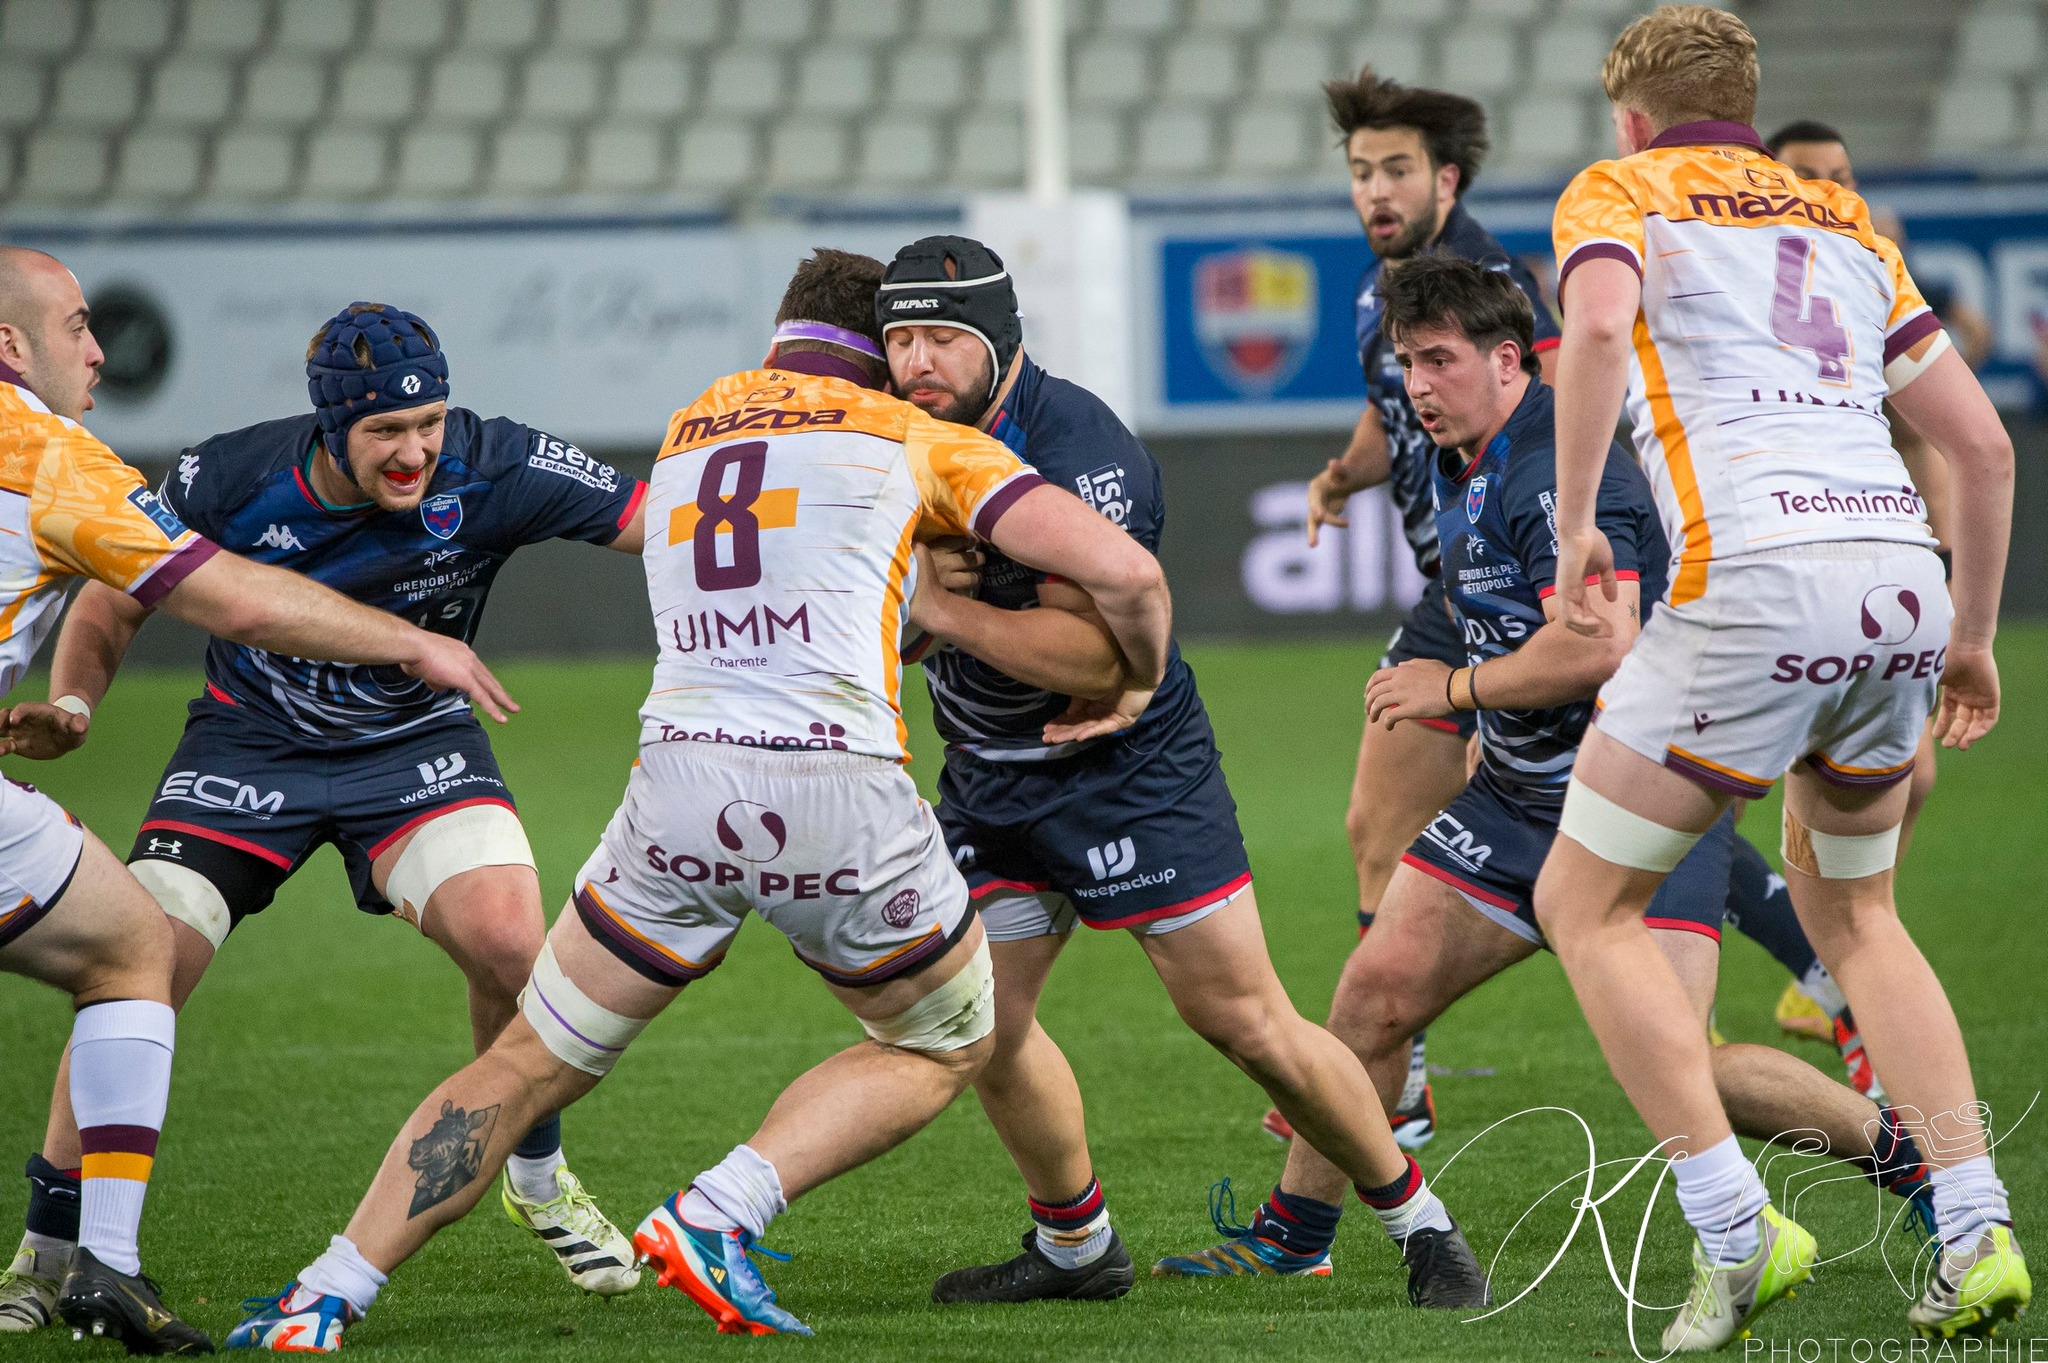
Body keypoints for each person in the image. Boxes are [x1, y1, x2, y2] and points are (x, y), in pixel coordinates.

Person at [220, 248, 1179, 1349]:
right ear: (874, 352)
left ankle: (325, 1290)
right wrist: (1137, 674)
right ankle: (721, 1209)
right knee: (951, 1040)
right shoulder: (911, 435)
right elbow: (1130, 576)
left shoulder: (689, 426)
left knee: (524, 1059)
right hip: (833, 789)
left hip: (674, 789)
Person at [1158, 257, 1937, 1281]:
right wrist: (1460, 684)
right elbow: (1498, 610)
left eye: (1438, 361)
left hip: (1640, 806)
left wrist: (1453, 694)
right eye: (1404, 364)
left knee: (1686, 1069)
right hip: (1519, 799)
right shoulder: (1460, 454)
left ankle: (1912, 1165)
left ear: (1509, 361)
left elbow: (1597, 644)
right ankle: (1295, 1235)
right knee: (1368, 1001)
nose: (1418, 386)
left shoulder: (1552, 472)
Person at [1, 301, 652, 1334]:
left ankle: (537, 1174)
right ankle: (46, 1247)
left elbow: (661, 520)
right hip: (246, 748)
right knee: (139, 965)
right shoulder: (227, 477)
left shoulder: (499, 463)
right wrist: (78, 705)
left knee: (514, 949)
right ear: (330, 425)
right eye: (386, 432)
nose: (416, 450)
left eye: (430, 421)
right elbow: (113, 601)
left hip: (414, 750)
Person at [879, 236, 1488, 1309]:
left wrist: (938, 607)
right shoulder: (894, 435)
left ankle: (1416, 1222)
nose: (917, 360)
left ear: (1001, 340)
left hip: (1126, 768)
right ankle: (1074, 1246)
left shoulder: (1081, 451)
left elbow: (1095, 657)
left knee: (1244, 1022)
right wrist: (912, 592)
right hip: (986, 775)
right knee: (982, 1026)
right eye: (899, 338)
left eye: (943, 337)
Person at [1539, 7, 2026, 1348]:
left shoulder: (1622, 188)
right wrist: (1971, 636)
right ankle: (1977, 1230)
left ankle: (1737, 1225)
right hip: (1897, 582)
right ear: (1745, 108)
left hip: (1753, 572)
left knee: (1587, 899)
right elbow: (1981, 450)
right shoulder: (1848, 222)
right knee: (1860, 916)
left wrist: (1579, 520)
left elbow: (1589, 332)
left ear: (1631, 116)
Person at [1294, 68, 1562, 1149]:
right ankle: (1389, 1085)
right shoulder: (1381, 288)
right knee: (1379, 823)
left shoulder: (1490, 282)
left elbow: (1547, 407)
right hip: (1449, 594)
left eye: (1395, 168)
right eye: (1360, 171)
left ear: (1445, 177)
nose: (1374, 190)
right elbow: (1385, 412)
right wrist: (1345, 475)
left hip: (1504, 586)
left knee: (1597, 819)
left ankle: (1819, 970)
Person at [1754, 119, 1987, 1066]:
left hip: (1870, 555)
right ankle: (1813, 972)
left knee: (1905, 776)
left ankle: (1821, 974)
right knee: (1701, 802)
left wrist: (1937, 548)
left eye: (1840, 175)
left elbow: (1942, 427)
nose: (1826, 188)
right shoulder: (1751, 289)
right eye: (1804, 175)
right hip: (1778, 554)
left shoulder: (1868, 264)